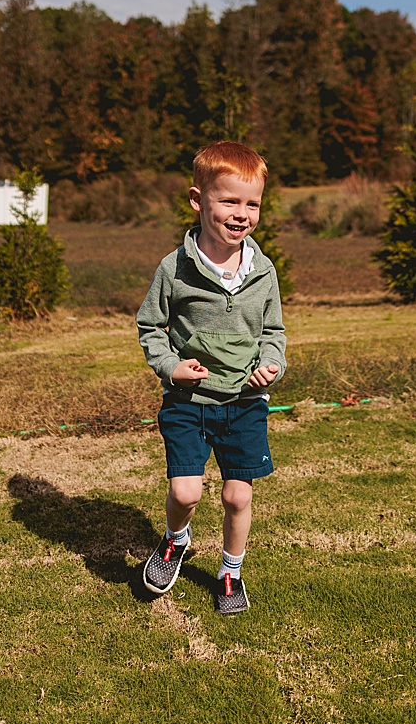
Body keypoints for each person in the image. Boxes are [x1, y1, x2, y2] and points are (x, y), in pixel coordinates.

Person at [135, 141, 286, 614]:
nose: (242, 214)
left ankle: (229, 573)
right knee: (186, 492)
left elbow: (273, 333)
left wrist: (272, 366)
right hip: (188, 401)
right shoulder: (174, 268)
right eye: (230, 201)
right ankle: (175, 540)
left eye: (252, 204)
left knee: (237, 497)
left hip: (244, 403)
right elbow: (150, 327)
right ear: (198, 201)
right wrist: (171, 367)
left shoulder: (263, 271)